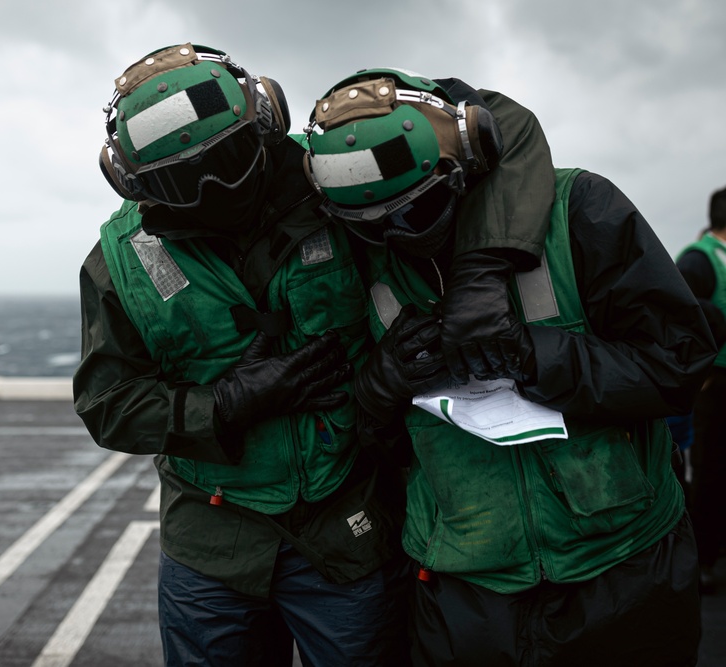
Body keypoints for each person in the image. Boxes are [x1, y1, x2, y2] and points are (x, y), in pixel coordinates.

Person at [74, 44, 553, 665]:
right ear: (134, 184)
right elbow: (107, 406)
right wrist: (225, 403)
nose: (219, 189)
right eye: (181, 181)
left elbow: (495, 123)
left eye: (231, 157)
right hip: (212, 545)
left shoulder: (333, 172)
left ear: (266, 118)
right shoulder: (121, 265)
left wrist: (480, 273)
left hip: (348, 528)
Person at [305, 67, 718, 666]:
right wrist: (377, 387)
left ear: (462, 169)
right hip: (463, 589)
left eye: (416, 215)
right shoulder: (362, 263)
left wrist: (536, 353)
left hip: (623, 569)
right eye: (368, 229)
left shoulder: (580, 210)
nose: (396, 237)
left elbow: (679, 364)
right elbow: (354, 441)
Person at [676, 185, 726, 593]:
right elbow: (679, 318)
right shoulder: (698, 260)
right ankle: (702, 560)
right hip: (713, 386)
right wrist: (700, 372)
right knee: (710, 471)